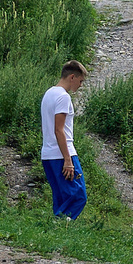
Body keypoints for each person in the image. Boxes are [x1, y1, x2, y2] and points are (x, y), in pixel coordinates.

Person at [38, 60, 88, 221]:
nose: (80, 86)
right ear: (72, 77)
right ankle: (61, 225)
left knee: (61, 196)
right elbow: (59, 130)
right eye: (80, 81)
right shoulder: (63, 97)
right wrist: (68, 160)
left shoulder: (49, 94)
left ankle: (57, 226)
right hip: (62, 154)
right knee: (79, 195)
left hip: (48, 154)